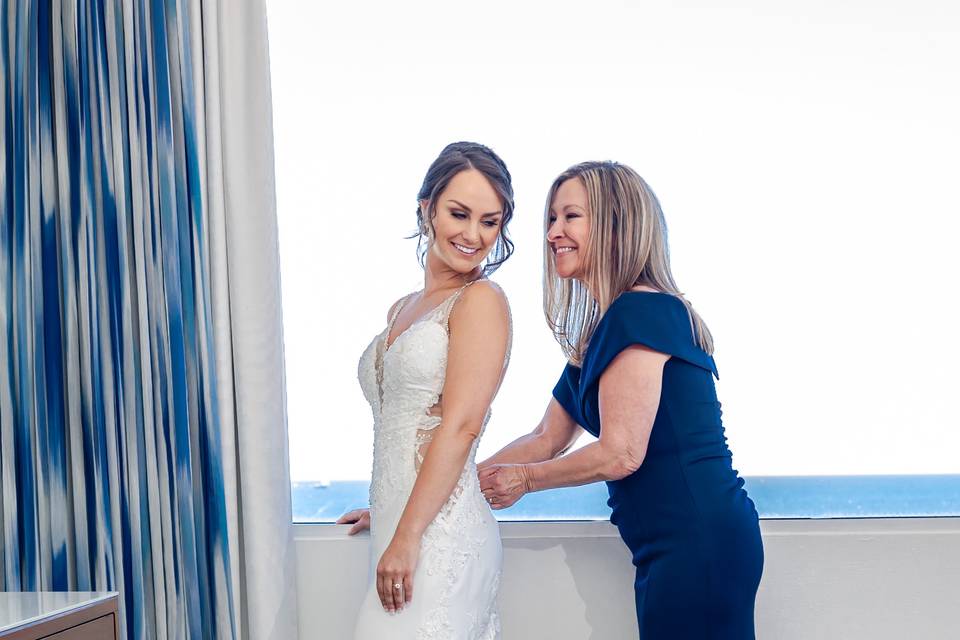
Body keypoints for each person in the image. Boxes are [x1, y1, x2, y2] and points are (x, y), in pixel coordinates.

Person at [478, 161, 763, 639]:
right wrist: (443, 499)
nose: (553, 233)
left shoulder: (641, 310)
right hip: (672, 546)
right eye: (551, 218)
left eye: (571, 217)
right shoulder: (603, 333)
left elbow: (621, 453)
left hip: (697, 542)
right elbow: (545, 437)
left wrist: (524, 481)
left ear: (615, 226)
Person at [338, 142, 513, 639]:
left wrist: (408, 534)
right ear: (427, 209)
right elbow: (407, 425)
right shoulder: (402, 308)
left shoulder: (481, 301)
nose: (473, 234)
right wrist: (388, 508)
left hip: (440, 537)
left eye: (490, 221)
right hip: (403, 522)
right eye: (459, 214)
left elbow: (460, 426)